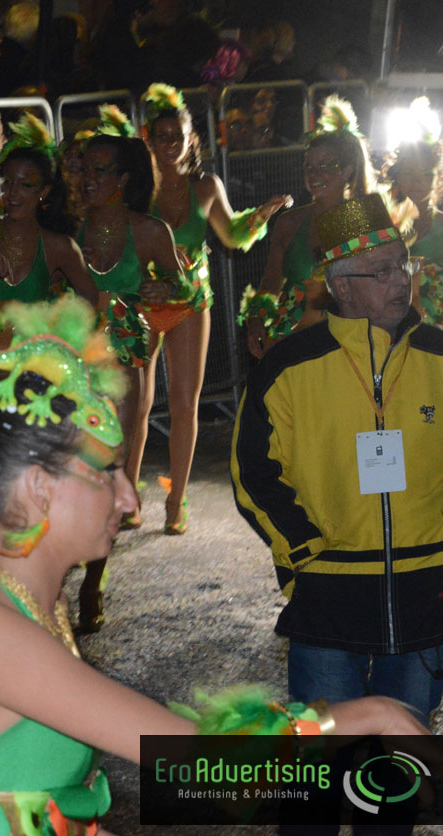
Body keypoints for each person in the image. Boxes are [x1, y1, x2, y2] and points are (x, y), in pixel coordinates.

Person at [0, 296, 431, 836]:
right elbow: (198, 760)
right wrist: (365, 714)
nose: (130, 500)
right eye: (106, 473)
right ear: (39, 487)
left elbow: (39, 808)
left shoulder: (29, 607)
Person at [233, 193, 443, 735]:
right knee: (319, 766)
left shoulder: (439, 357)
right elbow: (252, 471)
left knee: (400, 770)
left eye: (404, 266)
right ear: (341, 285)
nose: (401, 281)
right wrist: (303, 552)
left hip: (427, 598)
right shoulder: (288, 366)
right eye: (382, 271)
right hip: (326, 595)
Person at [135, 83, 289, 535]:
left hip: (191, 303)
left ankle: (175, 501)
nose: (169, 143)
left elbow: (233, 233)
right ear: (148, 139)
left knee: (185, 404)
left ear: (190, 139)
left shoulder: (205, 186)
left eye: (176, 135)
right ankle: (126, 496)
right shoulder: (136, 190)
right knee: (137, 404)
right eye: (160, 135)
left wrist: (260, 216)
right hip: (141, 303)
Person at [72, 106, 184, 631]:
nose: (88, 179)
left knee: (104, 472)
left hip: (122, 367)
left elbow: (186, 290)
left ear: (123, 180)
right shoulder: (64, 230)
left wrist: (164, 290)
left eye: (100, 171)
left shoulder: (150, 231)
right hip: (66, 366)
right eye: (83, 169)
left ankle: (94, 580)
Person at [241, 96, 373, 358]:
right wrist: (256, 318)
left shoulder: (365, 220)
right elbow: (271, 280)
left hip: (346, 345)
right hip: (290, 340)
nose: (314, 175)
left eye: (324, 167)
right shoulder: (289, 222)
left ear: (347, 170)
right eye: (309, 167)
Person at [0, 114, 97, 308]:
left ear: (44, 191)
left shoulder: (60, 247)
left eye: (25, 185)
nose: (13, 193)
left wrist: (57, 325)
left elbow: (90, 304)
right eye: (8, 183)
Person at [384, 97, 443, 325]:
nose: (417, 182)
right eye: (409, 173)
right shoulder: (382, 225)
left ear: (438, 177)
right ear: (397, 175)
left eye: (425, 174)